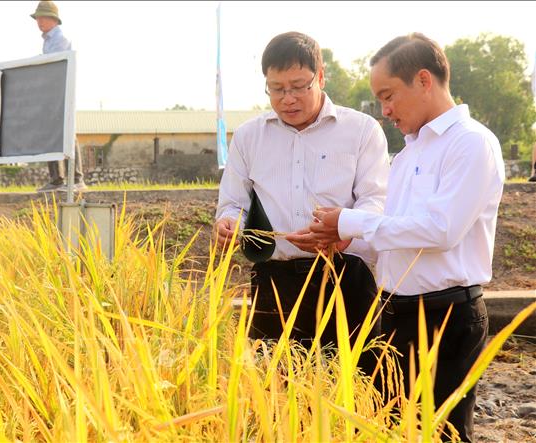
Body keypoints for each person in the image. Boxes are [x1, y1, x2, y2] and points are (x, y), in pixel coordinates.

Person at [309, 33, 505, 442]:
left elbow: (441, 230)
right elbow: (398, 234)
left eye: (388, 95)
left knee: (443, 434)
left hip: (445, 318)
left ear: (423, 79)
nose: (385, 111)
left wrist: (351, 222)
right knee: (391, 431)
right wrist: (349, 241)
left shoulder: (471, 143)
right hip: (396, 314)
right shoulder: (409, 153)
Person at [214, 32, 390, 376]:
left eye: (298, 86)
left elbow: (377, 201)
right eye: (276, 88)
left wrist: (343, 233)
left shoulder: (361, 130)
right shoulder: (250, 136)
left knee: (358, 385)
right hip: (274, 282)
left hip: (343, 277)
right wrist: (228, 223)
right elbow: (233, 202)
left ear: (320, 77)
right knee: (276, 393)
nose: (287, 98)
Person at [31, 0, 87, 192]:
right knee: (51, 134)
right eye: (37, 18)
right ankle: (57, 179)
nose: (39, 21)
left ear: (53, 19)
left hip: (60, 93)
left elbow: (53, 66)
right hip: (50, 93)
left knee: (67, 133)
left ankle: (77, 178)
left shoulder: (59, 40)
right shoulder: (48, 40)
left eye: (42, 17)